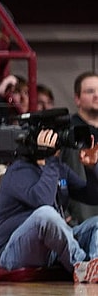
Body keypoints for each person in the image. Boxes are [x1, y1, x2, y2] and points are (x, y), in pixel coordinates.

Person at [0, 129, 98, 283]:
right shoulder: (17, 171)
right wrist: (51, 160)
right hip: (12, 251)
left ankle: (94, 267)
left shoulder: (59, 168)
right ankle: (81, 266)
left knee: (96, 223)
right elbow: (43, 201)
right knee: (45, 215)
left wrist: (92, 168)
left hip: (53, 249)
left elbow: (93, 196)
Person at [61, 72, 98, 225]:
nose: (96, 95)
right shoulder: (67, 130)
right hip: (80, 220)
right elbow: (58, 170)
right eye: (90, 91)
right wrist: (67, 216)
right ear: (77, 99)